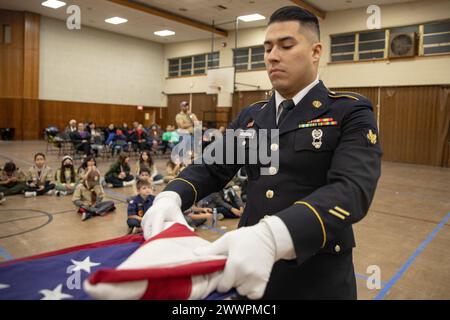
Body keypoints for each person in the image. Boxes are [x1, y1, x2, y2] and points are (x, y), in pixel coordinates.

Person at [142, 6, 382, 300]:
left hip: (316, 274)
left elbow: (352, 189)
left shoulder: (348, 111)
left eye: (286, 45)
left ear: (316, 51)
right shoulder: (254, 116)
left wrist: (274, 235)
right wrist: (172, 195)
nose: (272, 55)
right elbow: (213, 166)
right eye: (267, 48)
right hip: (249, 274)